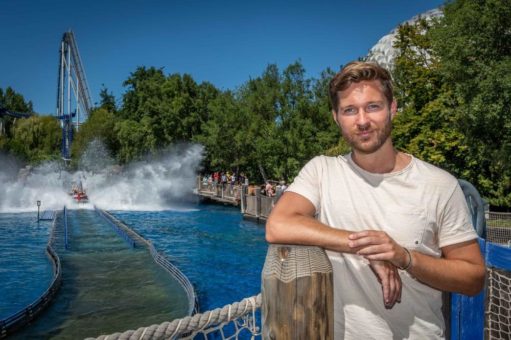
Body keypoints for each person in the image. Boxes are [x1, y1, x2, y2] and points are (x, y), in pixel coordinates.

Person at [266, 61, 485, 339]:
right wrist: (367, 248)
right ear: (336, 117)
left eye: (373, 106)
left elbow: (474, 277)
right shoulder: (322, 171)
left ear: (392, 108)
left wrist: (403, 257)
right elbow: (278, 225)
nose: (362, 121)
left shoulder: (440, 184)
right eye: (349, 110)